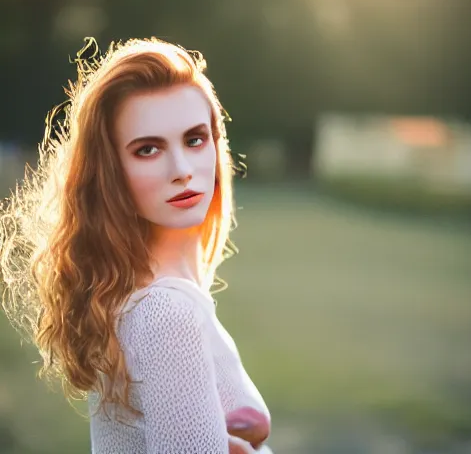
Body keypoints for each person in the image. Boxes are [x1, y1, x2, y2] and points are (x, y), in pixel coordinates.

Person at [0, 37, 272, 453]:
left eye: (195, 139)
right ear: (111, 172)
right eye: (148, 149)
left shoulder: (155, 296)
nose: (182, 170)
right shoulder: (165, 313)